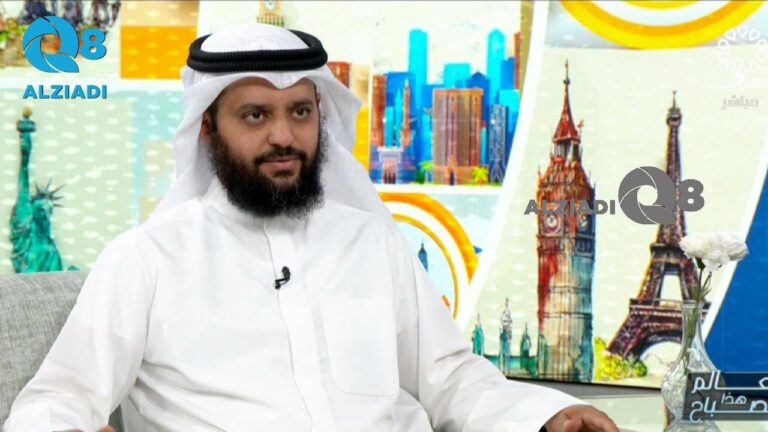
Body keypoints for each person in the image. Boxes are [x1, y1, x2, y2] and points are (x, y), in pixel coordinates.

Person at [4, 24, 619, 432]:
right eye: (255, 115)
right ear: (208, 129)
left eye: (300, 111)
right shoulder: (147, 259)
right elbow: (55, 400)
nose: (284, 135)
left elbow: (451, 379)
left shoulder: (371, 241)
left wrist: (544, 415)